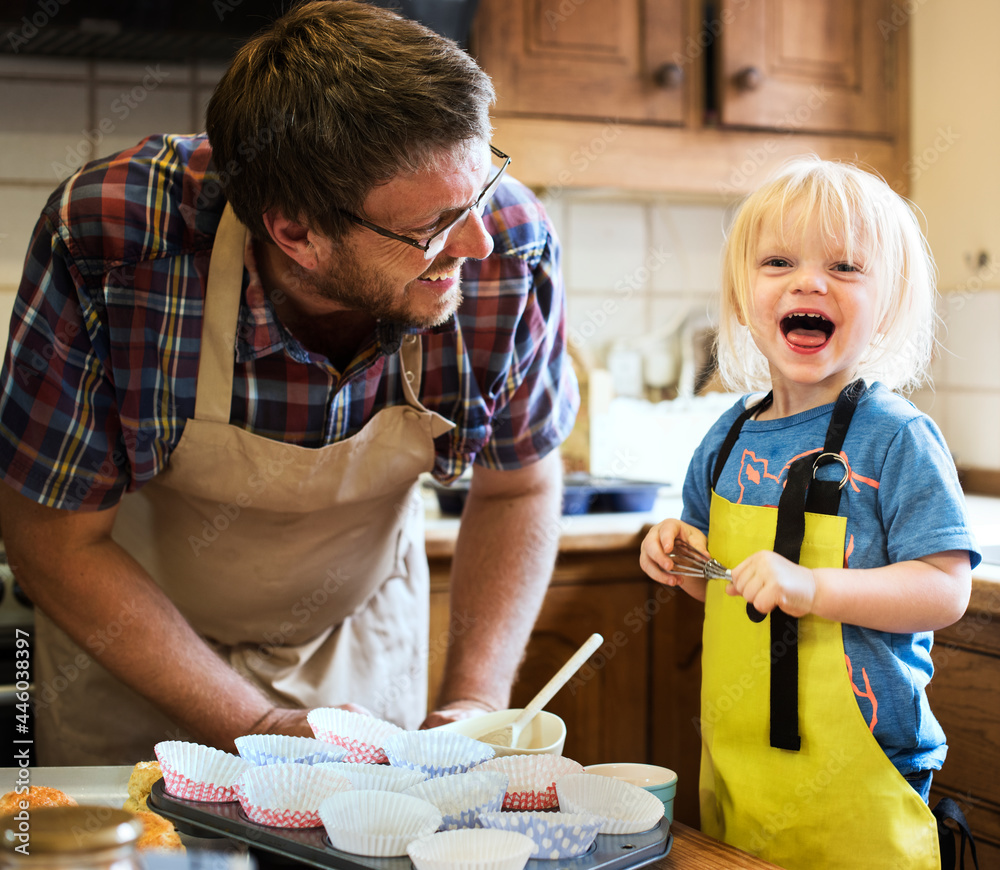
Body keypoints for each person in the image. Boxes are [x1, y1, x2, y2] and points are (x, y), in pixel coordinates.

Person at [0, 0, 578, 765]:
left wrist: (474, 702)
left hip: (353, 640)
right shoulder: (113, 240)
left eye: (483, 188)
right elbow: (50, 537)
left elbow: (519, 490)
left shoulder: (508, 250)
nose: (477, 241)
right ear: (295, 232)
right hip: (131, 649)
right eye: (434, 227)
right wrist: (255, 724)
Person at [639, 156, 979, 869]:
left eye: (846, 267)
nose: (809, 281)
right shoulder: (726, 436)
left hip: (865, 780)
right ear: (741, 296)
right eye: (778, 261)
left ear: (887, 304)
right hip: (741, 763)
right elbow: (720, 589)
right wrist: (677, 549)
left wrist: (813, 587)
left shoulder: (896, 438)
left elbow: (945, 590)